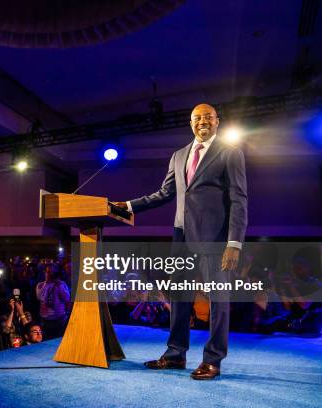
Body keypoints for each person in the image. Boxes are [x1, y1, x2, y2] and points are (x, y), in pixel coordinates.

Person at [113, 103, 248, 380]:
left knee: (218, 300)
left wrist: (234, 243)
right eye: (197, 118)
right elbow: (164, 193)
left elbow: (239, 199)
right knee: (179, 297)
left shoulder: (230, 152)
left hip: (216, 239)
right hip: (181, 236)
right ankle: (175, 354)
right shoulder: (178, 155)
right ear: (190, 122)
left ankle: (213, 360)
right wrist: (127, 205)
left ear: (217, 121)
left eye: (208, 117)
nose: (203, 122)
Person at [36, 263, 70, 340]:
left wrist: (59, 286)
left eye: (52, 272)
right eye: (48, 271)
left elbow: (67, 298)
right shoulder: (40, 285)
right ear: (44, 272)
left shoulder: (61, 284)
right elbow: (39, 297)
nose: (50, 274)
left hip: (59, 319)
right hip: (45, 320)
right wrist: (46, 283)